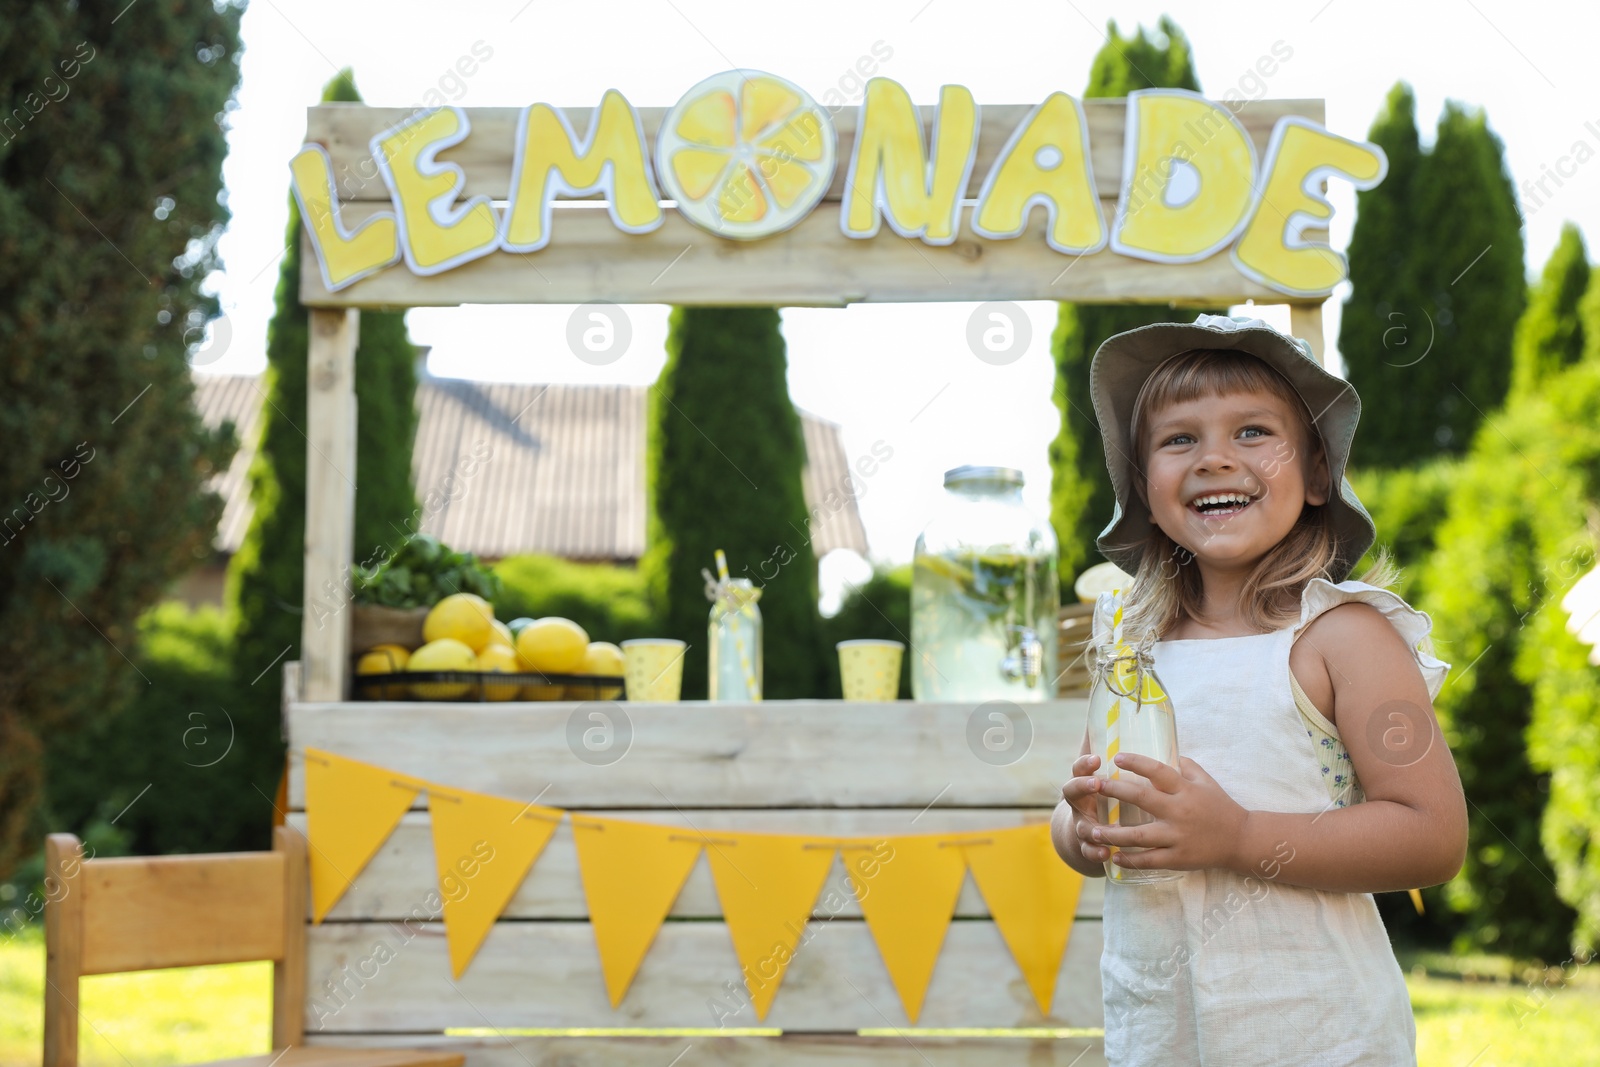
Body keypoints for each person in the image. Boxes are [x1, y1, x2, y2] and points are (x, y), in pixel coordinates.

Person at [1050, 314, 1467, 1065]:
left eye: (1251, 433)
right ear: (1145, 486)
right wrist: (1079, 830)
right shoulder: (1129, 647)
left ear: (1315, 474)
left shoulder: (1342, 638)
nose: (1214, 459)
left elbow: (1432, 833)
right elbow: (1085, 802)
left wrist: (1238, 837)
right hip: (1159, 1031)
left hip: (1317, 1033)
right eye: (1180, 439)